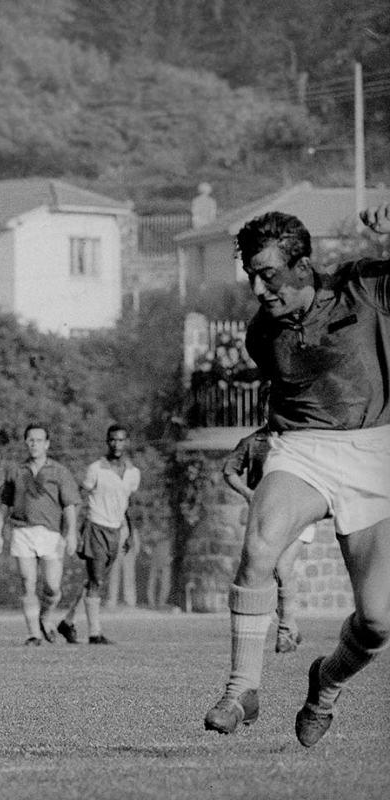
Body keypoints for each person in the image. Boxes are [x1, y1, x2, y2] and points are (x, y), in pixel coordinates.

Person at [202, 205, 390, 748]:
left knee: (378, 621)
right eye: (252, 277)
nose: (260, 290)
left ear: (302, 266)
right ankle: (243, 689)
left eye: (270, 275)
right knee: (259, 546)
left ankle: (325, 683)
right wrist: (259, 436)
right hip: (303, 450)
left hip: (376, 452)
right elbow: (290, 401)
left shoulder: (365, 288)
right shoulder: (264, 334)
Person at [222, 426, 316, 653]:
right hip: (266, 516)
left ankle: (284, 630)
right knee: (267, 571)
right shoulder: (253, 441)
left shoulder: (301, 438)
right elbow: (229, 471)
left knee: (282, 567)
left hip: (298, 511)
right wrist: (248, 493)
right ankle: (290, 625)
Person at [0, 424, 79, 645]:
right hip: (22, 531)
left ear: (47, 444)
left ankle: (46, 617)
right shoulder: (16, 471)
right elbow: (5, 504)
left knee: (52, 587)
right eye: (30, 440)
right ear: (26, 442)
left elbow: (70, 505)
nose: (34, 444)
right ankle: (34, 634)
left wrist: (71, 535)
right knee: (27, 582)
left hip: (50, 534)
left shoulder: (59, 472)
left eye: (39, 440)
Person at [55, 424, 141, 645]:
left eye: (121, 440)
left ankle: (68, 622)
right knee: (96, 579)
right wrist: (74, 527)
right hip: (96, 527)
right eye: (112, 440)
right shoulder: (96, 469)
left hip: (117, 529)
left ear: (126, 442)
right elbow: (79, 496)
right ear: (107, 441)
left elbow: (126, 504)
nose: (116, 444)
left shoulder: (133, 473)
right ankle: (95, 632)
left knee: (95, 579)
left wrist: (129, 532)